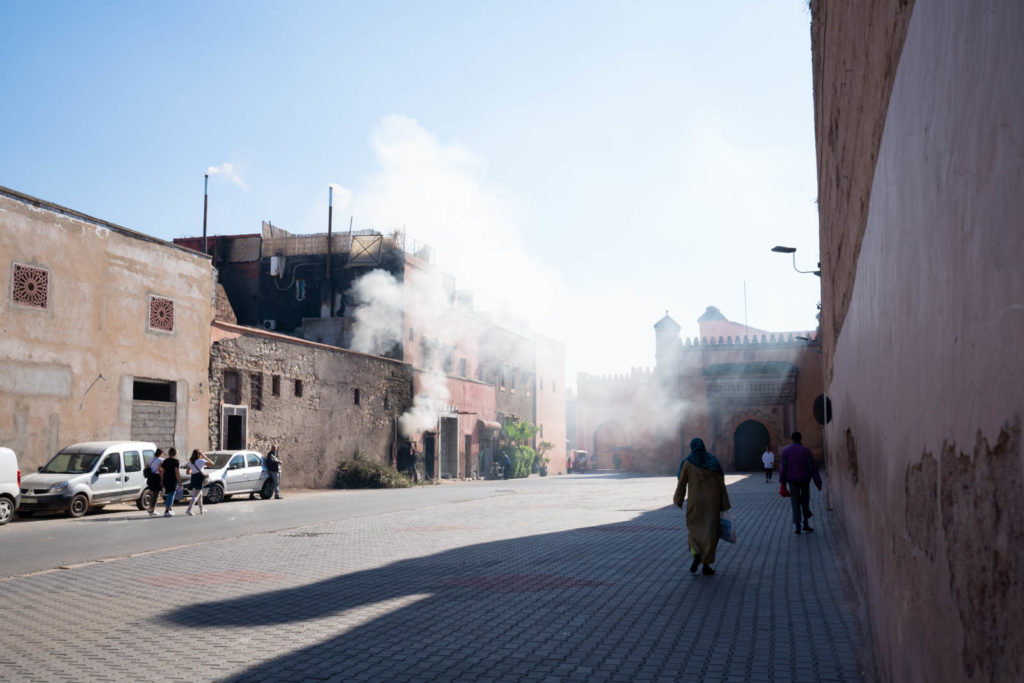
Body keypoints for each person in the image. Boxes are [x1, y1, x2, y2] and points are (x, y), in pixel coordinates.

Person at [672, 438, 731, 576]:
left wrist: (678, 500)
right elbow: (721, 483)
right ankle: (706, 565)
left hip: (695, 502)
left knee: (694, 529)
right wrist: (724, 503)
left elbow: (681, 483)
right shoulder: (713, 461)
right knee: (711, 533)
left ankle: (696, 553)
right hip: (713, 502)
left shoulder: (688, 462)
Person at [779, 431, 822, 534]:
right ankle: (806, 523)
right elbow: (812, 467)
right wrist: (818, 483)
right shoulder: (806, 451)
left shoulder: (786, 451)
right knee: (805, 502)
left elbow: (783, 467)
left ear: (791, 439)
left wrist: (783, 482)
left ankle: (798, 526)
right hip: (804, 481)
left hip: (792, 481)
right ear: (800, 439)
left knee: (795, 503)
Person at [185, 449, 213, 516]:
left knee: (200, 495)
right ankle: (189, 509)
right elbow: (212, 464)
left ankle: (201, 509)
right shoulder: (201, 461)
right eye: (201, 454)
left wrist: (194, 471)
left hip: (193, 478)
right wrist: (205, 457)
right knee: (196, 495)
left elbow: (187, 472)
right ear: (199, 454)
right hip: (199, 479)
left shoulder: (190, 462)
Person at [160, 447, 182, 517]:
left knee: (170, 493)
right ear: (175, 453)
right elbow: (176, 472)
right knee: (171, 494)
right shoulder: (176, 461)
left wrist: (162, 480)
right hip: (173, 479)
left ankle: (169, 509)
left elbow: (162, 472)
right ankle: (167, 510)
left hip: (166, 479)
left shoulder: (165, 461)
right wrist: (179, 481)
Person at [146, 448, 165, 516]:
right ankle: (152, 510)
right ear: (160, 453)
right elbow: (160, 470)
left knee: (152, 494)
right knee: (156, 494)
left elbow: (146, 467)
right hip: (157, 478)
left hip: (150, 478)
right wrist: (162, 478)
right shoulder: (161, 460)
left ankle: (150, 508)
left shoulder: (150, 459)